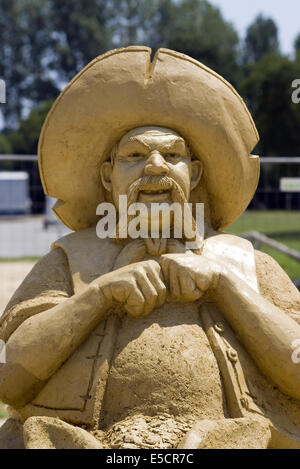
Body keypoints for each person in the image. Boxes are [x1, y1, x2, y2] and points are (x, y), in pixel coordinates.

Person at [0, 47, 300, 449]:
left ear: (194, 174)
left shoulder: (247, 262)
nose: (155, 166)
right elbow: (11, 380)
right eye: (135, 155)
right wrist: (100, 294)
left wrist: (225, 287)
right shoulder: (68, 260)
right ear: (108, 177)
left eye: (173, 155)